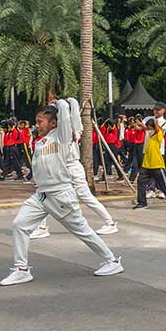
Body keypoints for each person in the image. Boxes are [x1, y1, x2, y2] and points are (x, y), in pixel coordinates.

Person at [1, 97, 123, 286]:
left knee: (83, 231)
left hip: (60, 195)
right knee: (20, 224)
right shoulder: (41, 143)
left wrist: (61, 104)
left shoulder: (63, 137)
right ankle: (21, 270)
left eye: (40, 121)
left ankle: (112, 261)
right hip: (41, 195)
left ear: (54, 123)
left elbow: (68, 114)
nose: (37, 125)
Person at [28, 98, 119, 240]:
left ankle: (110, 222)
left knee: (85, 197)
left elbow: (72, 107)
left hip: (71, 168)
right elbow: (71, 108)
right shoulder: (66, 128)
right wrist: (59, 104)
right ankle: (42, 227)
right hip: (64, 168)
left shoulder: (67, 129)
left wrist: (59, 104)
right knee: (44, 194)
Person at [133, 116, 166, 209]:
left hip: (157, 165)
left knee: (164, 184)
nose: (148, 129)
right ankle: (142, 202)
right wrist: (141, 124)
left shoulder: (159, 135)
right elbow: (146, 128)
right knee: (140, 182)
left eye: (150, 128)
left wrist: (155, 120)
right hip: (146, 165)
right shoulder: (150, 135)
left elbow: (156, 128)